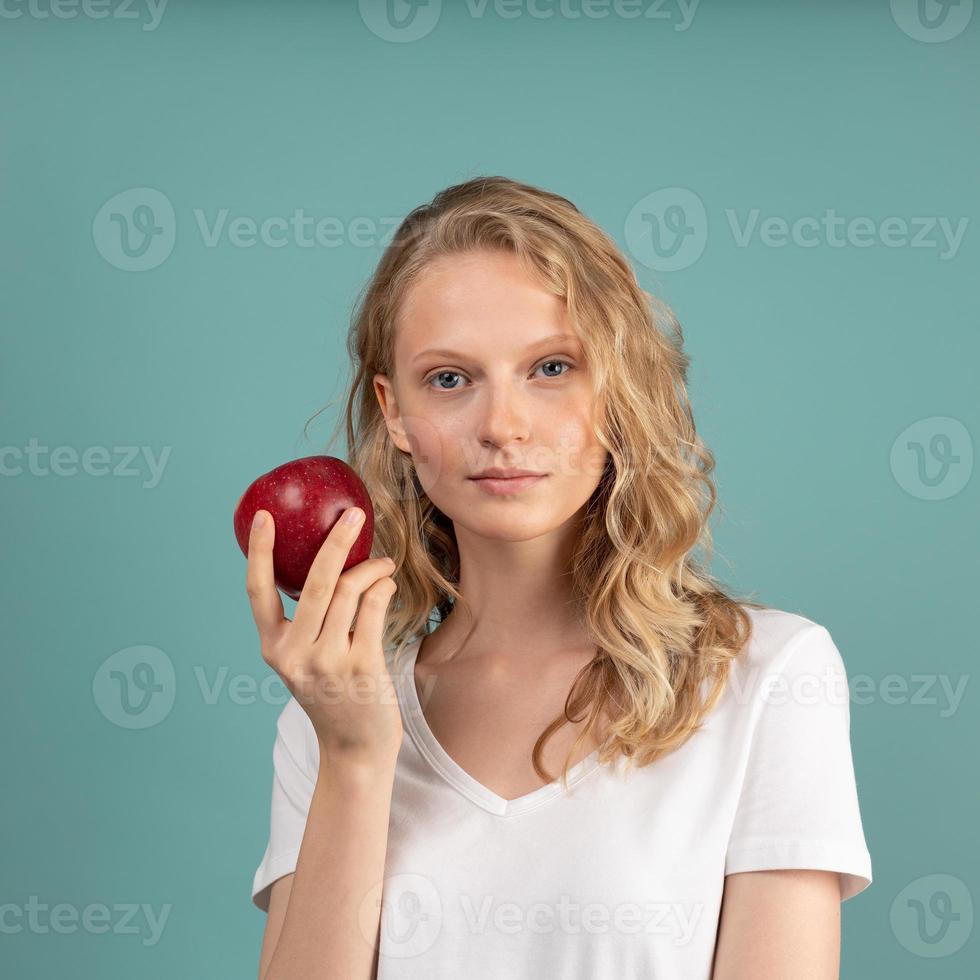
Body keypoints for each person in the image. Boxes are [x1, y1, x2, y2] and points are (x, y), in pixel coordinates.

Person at [247, 176, 873, 979]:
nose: (503, 426)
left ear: (615, 388)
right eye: (449, 379)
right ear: (394, 412)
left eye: (551, 367)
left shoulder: (770, 679)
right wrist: (356, 757)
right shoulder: (328, 721)